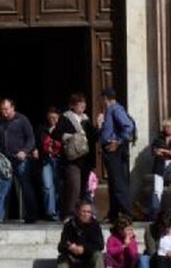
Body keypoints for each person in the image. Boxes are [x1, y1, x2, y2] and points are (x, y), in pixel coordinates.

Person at [0, 98, 38, 223]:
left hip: (20, 159)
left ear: (12, 108)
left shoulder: (22, 120)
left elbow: (31, 138)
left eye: (6, 109)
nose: (4, 112)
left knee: (25, 186)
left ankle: (31, 215)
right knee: (3, 187)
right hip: (5, 160)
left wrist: (25, 151)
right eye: (2, 109)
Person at [97, 88, 136, 223]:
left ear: (105, 98)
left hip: (115, 151)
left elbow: (128, 126)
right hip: (109, 150)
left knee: (118, 183)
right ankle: (113, 213)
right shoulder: (109, 111)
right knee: (113, 183)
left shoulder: (115, 109)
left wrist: (118, 141)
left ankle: (127, 213)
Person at [59, 93, 95, 220]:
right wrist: (71, 137)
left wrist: (99, 128)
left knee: (84, 187)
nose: (82, 106)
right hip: (72, 158)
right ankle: (69, 213)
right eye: (79, 103)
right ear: (73, 105)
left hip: (85, 159)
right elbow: (58, 133)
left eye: (83, 103)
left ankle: (84, 214)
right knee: (74, 185)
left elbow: (92, 137)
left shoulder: (86, 119)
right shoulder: (65, 118)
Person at [149, 118, 171, 219]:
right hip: (160, 164)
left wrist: (165, 151)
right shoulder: (158, 139)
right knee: (157, 190)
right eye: (164, 127)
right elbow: (154, 151)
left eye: (168, 127)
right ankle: (155, 212)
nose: (166, 129)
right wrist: (160, 151)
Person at [58, 201, 105, 268]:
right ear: (77, 212)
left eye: (88, 212)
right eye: (83, 211)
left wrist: (84, 249)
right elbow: (61, 246)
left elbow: (100, 245)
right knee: (62, 258)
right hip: (73, 258)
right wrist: (70, 247)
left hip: (88, 258)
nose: (86, 215)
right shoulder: (69, 225)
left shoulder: (95, 226)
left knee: (98, 255)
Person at [41, 107, 64, 221]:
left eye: (55, 117)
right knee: (47, 186)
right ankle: (50, 212)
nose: (52, 120)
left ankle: (59, 211)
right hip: (47, 161)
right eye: (50, 118)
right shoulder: (43, 129)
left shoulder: (63, 129)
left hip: (59, 160)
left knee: (58, 186)